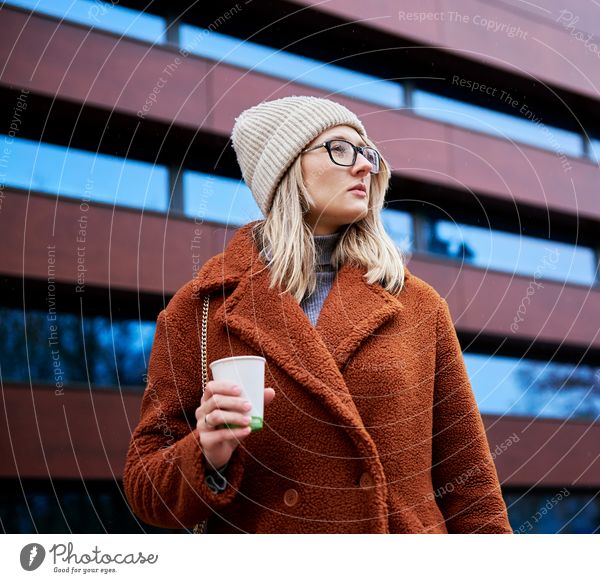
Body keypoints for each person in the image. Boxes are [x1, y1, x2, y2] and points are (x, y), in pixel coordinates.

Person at [123, 95, 513, 534]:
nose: (364, 165)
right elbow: (144, 488)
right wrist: (207, 452)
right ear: (286, 169)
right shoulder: (199, 310)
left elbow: (471, 490)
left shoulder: (417, 306)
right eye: (340, 149)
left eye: (368, 153)